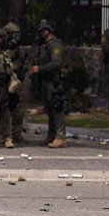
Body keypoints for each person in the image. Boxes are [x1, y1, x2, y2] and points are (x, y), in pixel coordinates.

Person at [29, 19, 68, 148]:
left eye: (41, 32)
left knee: (57, 108)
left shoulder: (55, 45)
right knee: (49, 108)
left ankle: (60, 137)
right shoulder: (46, 46)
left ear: (47, 31)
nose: (39, 35)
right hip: (47, 81)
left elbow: (56, 63)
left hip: (54, 81)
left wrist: (39, 69)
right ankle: (52, 135)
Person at [3, 20, 29, 143]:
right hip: (5, 81)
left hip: (16, 81)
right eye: (14, 34)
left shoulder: (20, 50)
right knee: (4, 108)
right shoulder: (1, 49)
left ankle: (16, 133)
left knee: (20, 106)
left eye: (18, 34)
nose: (17, 36)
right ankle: (4, 134)